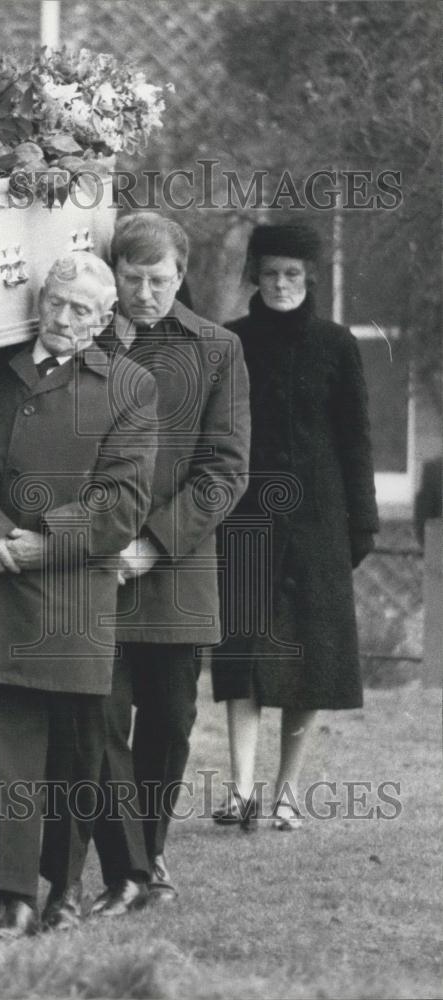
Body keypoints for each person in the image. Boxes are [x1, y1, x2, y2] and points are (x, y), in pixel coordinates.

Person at [0, 253, 158, 939]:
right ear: (38, 299)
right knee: (5, 748)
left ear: (105, 319)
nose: (64, 318)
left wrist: (44, 542)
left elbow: (122, 501)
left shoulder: (129, 387)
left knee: (77, 752)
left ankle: (65, 889)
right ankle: (14, 896)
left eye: (82, 309)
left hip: (71, 590)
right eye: (56, 301)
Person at [41, 212, 251, 915]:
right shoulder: (81, 335)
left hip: (176, 570)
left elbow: (224, 469)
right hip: (89, 570)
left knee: (168, 721)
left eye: (158, 280)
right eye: (131, 279)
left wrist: (154, 542)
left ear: (181, 275)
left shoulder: (216, 349)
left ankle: (148, 856)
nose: (144, 293)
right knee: (96, 724)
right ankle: (117, 868)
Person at [210, 222, 379, 831]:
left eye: (292, 274)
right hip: (246, 516)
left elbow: (356, 439)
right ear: (255, 274)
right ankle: (241, 790)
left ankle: (286, 793)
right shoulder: (230, 342)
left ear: (309, 278)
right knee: (244, 650)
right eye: (270, 272)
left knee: (311, 653)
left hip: (320, 521)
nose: (281, 284)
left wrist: (362, 524)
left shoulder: (336, 345)